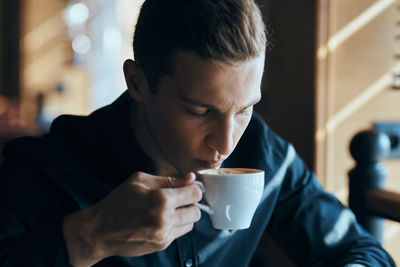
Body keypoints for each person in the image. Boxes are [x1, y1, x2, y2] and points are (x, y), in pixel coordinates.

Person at [0, 0, 395, 266]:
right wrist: (84, 239)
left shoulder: (262, 153)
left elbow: (361, 248)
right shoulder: (48, 169)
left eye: (244, 109)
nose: (225, 145)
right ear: (137, 82)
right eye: (199, 110)